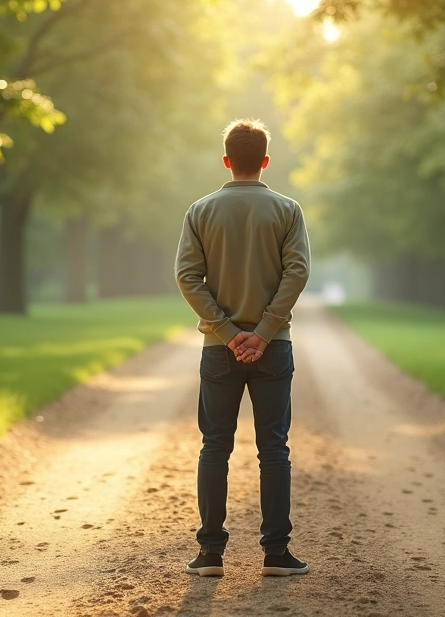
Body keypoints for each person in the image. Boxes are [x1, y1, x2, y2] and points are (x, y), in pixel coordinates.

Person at [174, 118, 311, 578]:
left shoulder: (200, 210)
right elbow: (297, 272)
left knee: (215, 447)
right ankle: (276, 554)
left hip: (219, 351)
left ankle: (210, 553)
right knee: (274, 448)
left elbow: (187, 277)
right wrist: (264, 330)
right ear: (266, 161)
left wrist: (227, 333)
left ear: (227, 161)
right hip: (273, 349)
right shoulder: (288, 209)